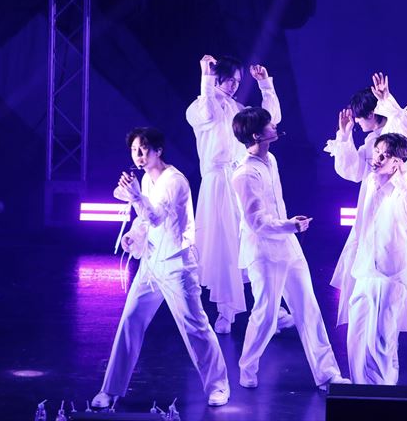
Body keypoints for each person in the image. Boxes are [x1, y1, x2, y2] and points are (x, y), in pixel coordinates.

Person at [92, 127, 230, 409]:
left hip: (177, 265)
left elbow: (156, 216)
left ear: (158, 150)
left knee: (195, 327)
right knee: (130, 321)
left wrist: (135, 197)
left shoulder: (174, 181)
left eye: (143, 149)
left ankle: (218, 386)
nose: (138, 155)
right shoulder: (145, 180)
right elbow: (145, 222)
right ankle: (110, 389)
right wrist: (133, 235)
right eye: (134, 150)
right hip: (151, 263)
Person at [230, 107, 350, 390]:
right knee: (266, 315)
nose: (274, 125)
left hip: (288, 245)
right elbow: (256, 222)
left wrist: (289, 227)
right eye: (268, 123)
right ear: (256, 135)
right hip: (263, 252)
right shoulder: (244, 174)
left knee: (308, 308)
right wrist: (290, 226)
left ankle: (327, 374)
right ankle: (247, 366)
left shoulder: (270, 160)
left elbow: (273, 209)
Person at [186, 54, 291, 334]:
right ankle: (226, 311)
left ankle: (269, 311)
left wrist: (265, 85)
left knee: (253, 240)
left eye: (237, 81)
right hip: (217, 184)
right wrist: (206, 76)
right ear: (217, 77)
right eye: (229, 80)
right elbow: (208, 113)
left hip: (239, 177)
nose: (233, 85)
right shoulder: (199, 106)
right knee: (223, 246)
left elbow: (270, 121)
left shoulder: (238, 109)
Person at [325, 73, 407, 340]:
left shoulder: (396, 132)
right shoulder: (371, 141)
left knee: (390, 265)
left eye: (359, 119)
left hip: (394, 203)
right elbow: (353, 171)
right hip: (369, 202)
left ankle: (385, 340)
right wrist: (344, 136)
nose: (358, 123)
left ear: (371, 113)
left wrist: (387, 99)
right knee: (365, 267)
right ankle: (365, 334)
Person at [341, 132, 407, 384]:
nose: (376, 159)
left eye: (384, 155)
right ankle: (360, 388)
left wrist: (403, 182)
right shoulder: (370, 181)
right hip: (366, 268)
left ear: (397, 162)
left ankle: (382, 390)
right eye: (376, 152)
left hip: (392, 273)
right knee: (356, 335)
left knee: (381, 339)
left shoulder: (404, 192)